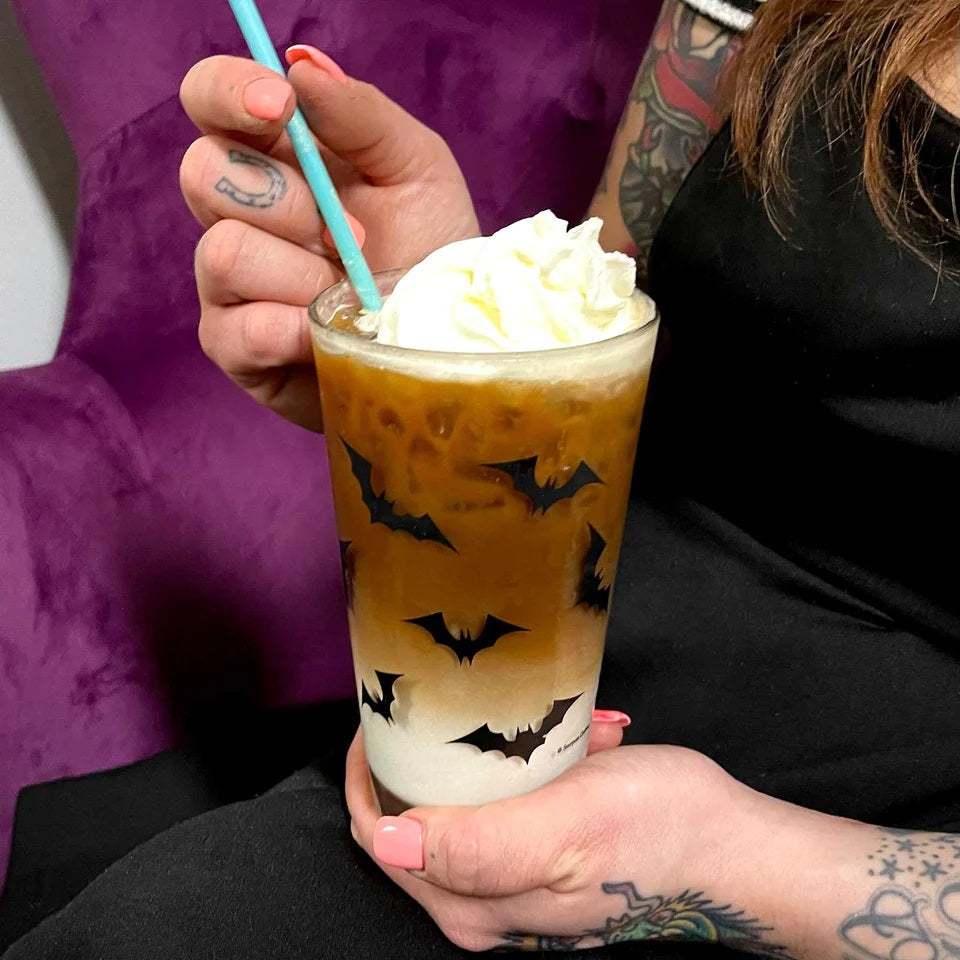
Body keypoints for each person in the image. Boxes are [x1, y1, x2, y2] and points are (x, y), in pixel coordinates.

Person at [4, 0, 959, 957]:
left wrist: (728, 863)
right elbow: (603, 302)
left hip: (814, 853)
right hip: (521, 686)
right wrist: (448, 348)